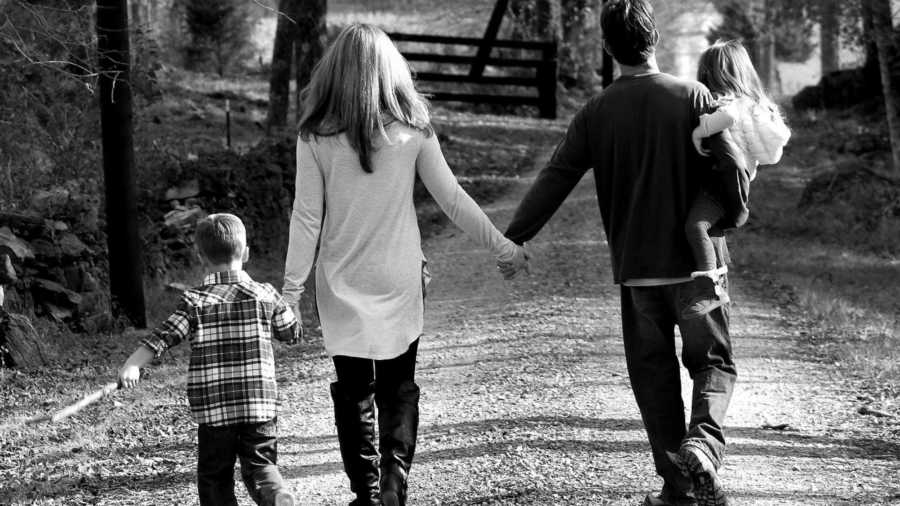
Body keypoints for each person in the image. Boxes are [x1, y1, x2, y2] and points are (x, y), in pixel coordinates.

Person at [498, 1, 750, 505]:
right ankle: (702, 446)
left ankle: (678, 490)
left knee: (654, 381)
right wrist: (734, 212)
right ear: (653, 38)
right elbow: (730, 163)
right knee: (713, 362)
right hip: (698, 270)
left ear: (609, 49)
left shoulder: (595, 113)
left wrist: (515, 237)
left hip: (638, 275)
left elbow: (557, 177)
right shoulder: (693, 96)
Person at [281, 24, 527, 506]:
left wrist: (290, 295)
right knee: (398, 385)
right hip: (399, 277)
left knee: (354, 390)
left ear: (333, 72)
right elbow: (453, 200)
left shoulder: (315, 137)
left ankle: (367, 493)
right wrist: (504, 249)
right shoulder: (413, 130)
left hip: (340, 280)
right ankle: (394, 482)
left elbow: (306, 217)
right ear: (391, 71)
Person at [119, 213, 300, 506]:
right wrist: (292, 318)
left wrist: (132, 364)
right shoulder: (266, 294)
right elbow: (291, 333)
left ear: (201, 256)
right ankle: (277, 494)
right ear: (247, 253)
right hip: (260, 404)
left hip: (215, 410)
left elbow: (163, 336)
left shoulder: (194, 301)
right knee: (260, 464)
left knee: (215, 476)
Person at [682, 40, 791, 320]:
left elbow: (727, 118)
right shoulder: (754, 106)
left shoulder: (725, 104)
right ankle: (714, 285)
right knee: (707, 231)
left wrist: (698, 131)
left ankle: (710, 292)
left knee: (696, 226)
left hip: (718, 184)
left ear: (713, 74)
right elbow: (771, 154)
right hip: (738, 185)